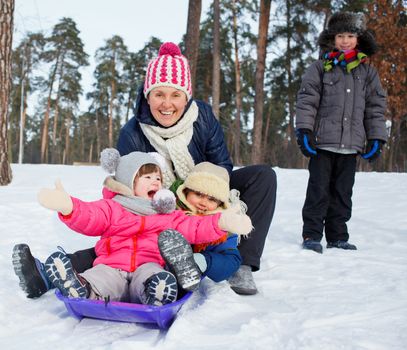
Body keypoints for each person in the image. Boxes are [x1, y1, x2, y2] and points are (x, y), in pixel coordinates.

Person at [12, 41, 277, 297]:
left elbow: (223, 167)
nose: (167, 104)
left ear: (186, 97)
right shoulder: (133, 132)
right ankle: (47, 273)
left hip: (203, 193)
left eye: (175, 95)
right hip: (158, 202)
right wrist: (170, 199)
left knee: (263, 176)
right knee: (125, 238)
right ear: (147, 95)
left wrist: (201, 197)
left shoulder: (203, 116)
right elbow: (128, 187)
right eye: (159, 94)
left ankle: (241, 264)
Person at [37, 150, 251, 306]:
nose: (155, 182)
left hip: (148, 264)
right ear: (128, 182)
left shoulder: (168, 213)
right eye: (147, 177)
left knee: (153, 276)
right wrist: (69, 206)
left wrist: (221, 223)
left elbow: (193, 227)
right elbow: (91, 216)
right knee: (101, 277)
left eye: (158, 178)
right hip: (113, 265)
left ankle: (156, 293)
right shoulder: (112, 207)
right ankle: (82, 288)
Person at [295, 12, 387, 254]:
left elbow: (375, 107)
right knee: (318, 190)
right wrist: (305, 130)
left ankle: (337, 236)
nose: (345, 40)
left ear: (359, 39)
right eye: (340, 35)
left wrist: (376, 136)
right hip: (323, 144)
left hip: (351, 145)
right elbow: (307, 101)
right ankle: (312, 234)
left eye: (350, 35)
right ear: (332, 38)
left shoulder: (368, 73)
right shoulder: (320, 68)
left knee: (343, 193)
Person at [166, 161, 244, 286]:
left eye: (211, 199)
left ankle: (196, 263)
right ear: (186, 191)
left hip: (201, 258)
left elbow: (231, 258)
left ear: (220, 203)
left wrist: (204, 260)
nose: (203, 202)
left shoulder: (222, 223)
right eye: (198, 194)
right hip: (166, 259)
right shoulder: (171, 209)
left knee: (231, 259)